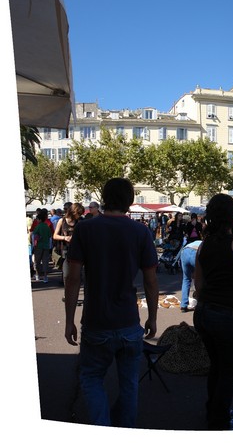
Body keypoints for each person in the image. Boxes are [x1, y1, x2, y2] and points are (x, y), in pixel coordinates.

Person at [63, 178, 159, 427]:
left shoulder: (85, 229)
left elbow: (73, 280)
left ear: (104, 198)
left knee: (92, 377)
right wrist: (153, 317)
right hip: (128, 323)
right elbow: (150, 281)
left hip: (97, 322)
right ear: (129, 201)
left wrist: (70, 320)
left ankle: (102, 427)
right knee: (129, 386)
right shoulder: (141, 232)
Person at [193, 193, 233, 430]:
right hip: (226, 316)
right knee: (228, 371)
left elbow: (197, 286)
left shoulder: (203, 246)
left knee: (216, 367)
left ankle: (215, 411)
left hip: (203, 314)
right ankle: (218, 422)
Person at [53, 202, 82, 275]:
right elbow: (55, 236)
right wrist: (65, 238)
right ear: (74, 212)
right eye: (79, 213)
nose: (80, 216)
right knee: (66, 274)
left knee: (76, 274)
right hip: (65, 250)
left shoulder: (79, 221)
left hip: (77, 250)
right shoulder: (62, 221)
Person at [31, 208, 54, 283]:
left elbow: (34, 235)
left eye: (37, 219)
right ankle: (45, 276)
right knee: (45, 261)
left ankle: (37, 274)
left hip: (39, 246)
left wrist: (34, 243)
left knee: (37, 261)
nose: (37, 220)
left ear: (40, 219)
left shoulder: (38, 226)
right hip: (46, 246)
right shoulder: (47, 226)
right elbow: (49, 236)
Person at [179, 239, 203, 312]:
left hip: (185, 251)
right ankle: (200, 303)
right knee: (202, 278)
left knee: (186, 279)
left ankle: (183, 305)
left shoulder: (197, 242)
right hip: (196, 252)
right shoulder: (208, 245)